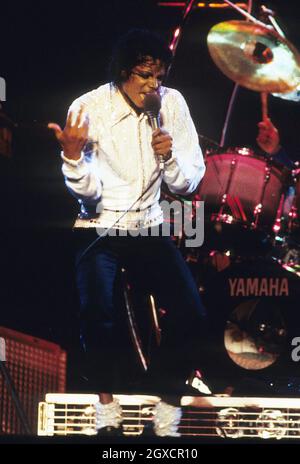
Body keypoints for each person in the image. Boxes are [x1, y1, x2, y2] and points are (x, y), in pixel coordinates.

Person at [48, 29, 208, 437]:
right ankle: (107, 413)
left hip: (148, 224)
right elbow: (86, 195)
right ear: (123, 73)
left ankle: (166, 412)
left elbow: (190, 182)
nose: (154, 85)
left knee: (191, 313)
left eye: (160, 76)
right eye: (144, 76)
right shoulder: (88, 108)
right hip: (99, 224)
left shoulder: (172, 104)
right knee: (97, 316)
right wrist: (71, 157)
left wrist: (168, 156)